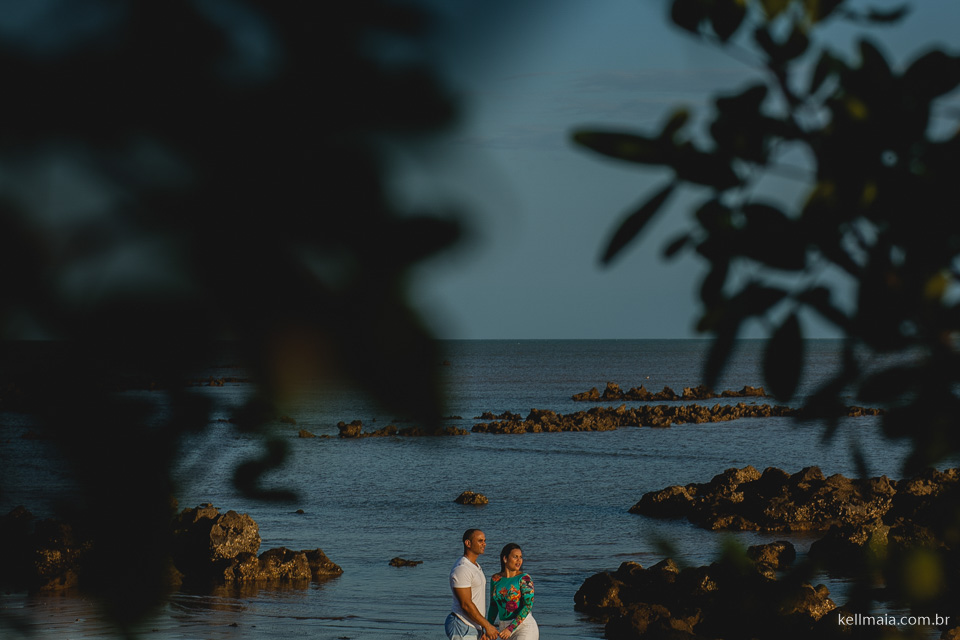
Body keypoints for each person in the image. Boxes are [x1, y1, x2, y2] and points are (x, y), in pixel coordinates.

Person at [447, 529, 500, 640]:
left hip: (473, 626)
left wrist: (482, 628)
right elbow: (466, 604)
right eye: (480, 541)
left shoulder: (475, 566)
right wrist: (487, 625)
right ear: (468, 543)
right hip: (462, 625)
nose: (484, 544)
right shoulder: (462, 568)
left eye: (485, 541)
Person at [486, 543, 538, 639]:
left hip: (524, 627)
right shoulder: (495, 579)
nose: (519, 560)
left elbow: (528, 606)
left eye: (521, 557)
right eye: (515, 557)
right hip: (503, 627)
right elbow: (493, 606)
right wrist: (488, 628)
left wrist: (510, 628)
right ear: (505, 559)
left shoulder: (524, 579)